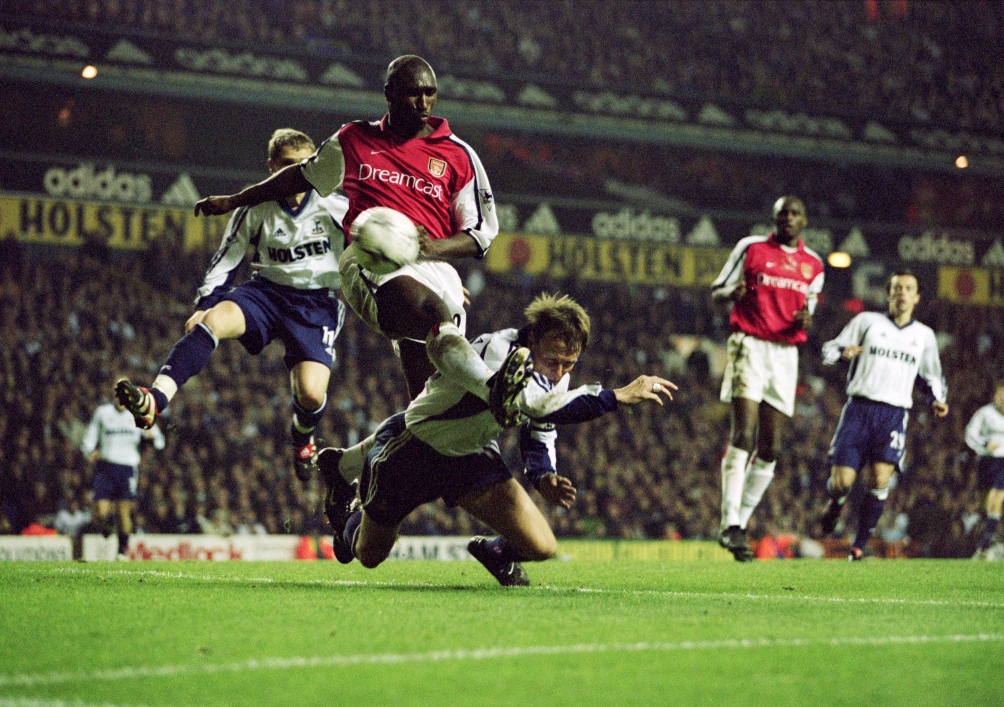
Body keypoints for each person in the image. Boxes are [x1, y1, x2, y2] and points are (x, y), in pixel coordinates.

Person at [192, 56, 520, 487]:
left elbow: (481, 233)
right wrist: (235, 200)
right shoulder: (354, 140)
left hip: (434, 268)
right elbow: (298, 179)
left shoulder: (459, 156)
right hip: (369, 261)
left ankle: (345, 475)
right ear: (389, 94)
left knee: (427, 415)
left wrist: (432, 247)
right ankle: (495, 387)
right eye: (412, 92)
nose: (423, 101)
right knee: (437, 316)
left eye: (430, 92)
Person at [318, 292, 678, 586]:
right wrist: (615, 396)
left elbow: (539, 425)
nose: (560, 373)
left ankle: (496, 553)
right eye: (554, 361)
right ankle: (349, 504)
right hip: (414, 448)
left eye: (570, 364)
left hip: (472, 456)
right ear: (532, 338)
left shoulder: (553, 373)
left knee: (542, 545)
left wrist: (543, 474)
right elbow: (533, 404)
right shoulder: (496, 351)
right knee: (367, 556)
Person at [114, 128, 349, 480]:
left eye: (303, 166)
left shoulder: (336, 205)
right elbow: (226, 260)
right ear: (271, 167)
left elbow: (384, 244)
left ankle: (302, 435)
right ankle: (155, 400)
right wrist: (203, 305)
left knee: (312, 396)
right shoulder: (255, 206)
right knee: (213, 320)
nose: (294, 174)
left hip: (316, 304)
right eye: (286, 166)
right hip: (266, 293)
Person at [710, 195, 824, 561]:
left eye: (794, 213)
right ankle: (730, 522)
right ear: (773, 218)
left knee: (771, 449)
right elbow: (717, 291)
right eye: (782, 213)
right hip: (750, 344)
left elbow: (810, 308)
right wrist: (732, 293)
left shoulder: (814, 265)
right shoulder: (751, 248)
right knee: (742, 434)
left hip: (785, 355)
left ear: (804, 220)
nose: (788, 218)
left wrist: (807, 320)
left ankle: (738, 522)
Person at [817, 270, 949, 560]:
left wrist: (937, 400)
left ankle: (858, 545)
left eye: (908, 288)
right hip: (858, 410)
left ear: (916, 297)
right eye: (897, 287)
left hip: (893, 414)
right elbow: (828, 349)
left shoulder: (923, 336)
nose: (902, 292)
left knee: (879, 479)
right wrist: (842, 353)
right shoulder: (867, 322)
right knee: (842, 482)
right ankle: (836, 503)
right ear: (888, 293)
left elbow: (931, 376)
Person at [81, 392, 165, 559]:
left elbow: (160, 441)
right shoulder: (102, 413)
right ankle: (107, 525)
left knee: (123, 511)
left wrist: (152, 436)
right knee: (100, 510)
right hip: (105, 466)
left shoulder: (139, 414)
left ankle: (122, 550)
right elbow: (89, 439)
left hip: (127, 468)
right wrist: (89, 451)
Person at [964, 379, 1004, 559]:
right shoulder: (985, 413)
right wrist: (983, 445)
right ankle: (993, 539)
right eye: (1000, 395)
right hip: (987, 462)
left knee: (996, 499)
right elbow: (970, 434)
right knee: (984, 504)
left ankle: (987, 545)